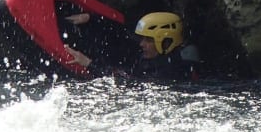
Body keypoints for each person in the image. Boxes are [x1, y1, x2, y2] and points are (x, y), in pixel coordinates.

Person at [64, 11, 200, 81]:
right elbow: (123, 34)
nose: (142, 44)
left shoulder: (171, 70)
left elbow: (127, 83)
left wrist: (88, 63)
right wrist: (92, 19)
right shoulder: (156, 55)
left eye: (148, 40)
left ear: (165, 41)